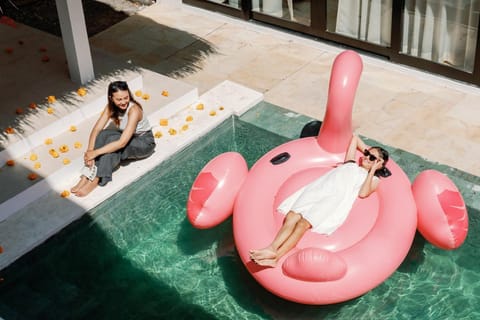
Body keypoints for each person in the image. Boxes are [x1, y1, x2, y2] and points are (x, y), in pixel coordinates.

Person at [249, 135, 390, 267]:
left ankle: (276, 258)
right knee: (291, 216)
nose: (366, 157)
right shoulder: (351, 163)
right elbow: (354, 138)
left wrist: (373, 169)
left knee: (302, 225)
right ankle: (271, 248)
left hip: (333, 199)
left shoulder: (373, 179)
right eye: (366, 154)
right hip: (317, 190)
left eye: (371, 158)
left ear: (379, 164)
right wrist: (369, 151)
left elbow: (363, 193)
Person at [71, 81, 156, 197]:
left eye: (126, 98)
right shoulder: (110, 108)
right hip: (128, 138)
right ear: (111, 98)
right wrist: (90, 152)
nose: (123, 102)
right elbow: (96, 129)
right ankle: (87, 174)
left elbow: (122, 143)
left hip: (144, 143)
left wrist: (96, 152)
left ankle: (96, 178)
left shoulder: (134, 110)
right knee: (103, 134)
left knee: (113, 142)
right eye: (119, 99)